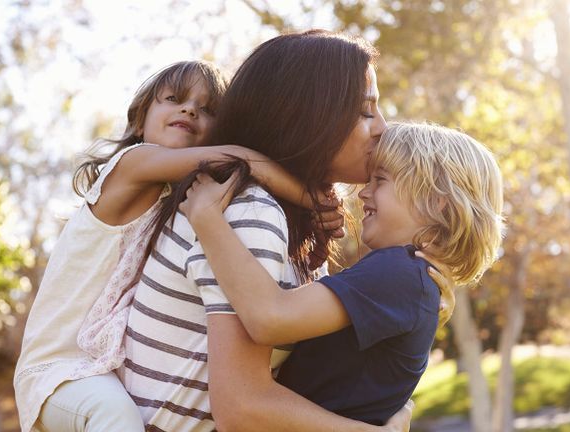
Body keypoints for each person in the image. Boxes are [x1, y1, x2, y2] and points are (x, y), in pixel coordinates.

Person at [119, 30, 415, 431]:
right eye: (365, 112)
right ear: (307, 115)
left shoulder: (283, 218)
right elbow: (241, 408)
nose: (382, 127)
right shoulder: (247, 211)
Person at [13, 60, 327, 432]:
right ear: (139, 121)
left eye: (207, 109)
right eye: (174, 98)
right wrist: (315, 201)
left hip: (103, 366)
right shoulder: (131, 164)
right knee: (116, 417)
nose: (190, 109)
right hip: (59, 368)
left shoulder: (176, 201)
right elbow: (240, 160)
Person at [182, 121, 506, 425]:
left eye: (381, 180)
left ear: (437, 204)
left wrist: (207, 218)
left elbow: (270, 317)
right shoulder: (413, 278)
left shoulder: (399, 271)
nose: (364, 192)